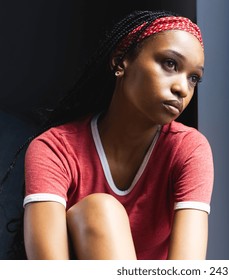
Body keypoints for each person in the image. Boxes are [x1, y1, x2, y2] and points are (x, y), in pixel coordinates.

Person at [17, 10, 213, 260]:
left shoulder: (188, 149)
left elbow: (187, 272)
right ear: (120, 61)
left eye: (194, 78)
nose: (182, 88)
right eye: (169, 64)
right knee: (100, 210)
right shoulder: (54, 149)